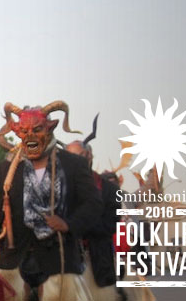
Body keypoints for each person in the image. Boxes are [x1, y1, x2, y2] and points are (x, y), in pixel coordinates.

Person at [0, 101, 102, 301]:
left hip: (59, 257)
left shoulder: (73, 165)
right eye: (23, 131)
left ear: (50, 128)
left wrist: (68, 224)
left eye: (37, 130)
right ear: (17, 132)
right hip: (15, 257)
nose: (30, 137)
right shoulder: (8, 167)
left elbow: (93, 204)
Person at [65, 115, 120, 301]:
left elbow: (111, 224)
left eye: (76, 158)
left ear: (88, 156)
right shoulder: (59, 188)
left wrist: (77, 225)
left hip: (97, 261)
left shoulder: (110, 189)